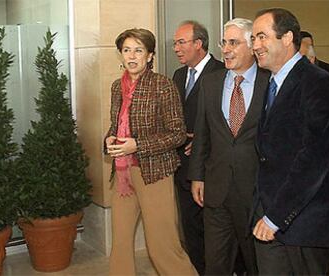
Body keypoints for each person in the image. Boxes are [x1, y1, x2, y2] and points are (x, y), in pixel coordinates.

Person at [251, 8, 329, 275]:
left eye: (262, 36)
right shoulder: (271, 84)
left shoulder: (318, 83)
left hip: (305, 223)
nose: (255, 45)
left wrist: (275, 217)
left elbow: (314, 159)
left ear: (287, 38)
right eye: (253, 38)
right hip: (269, 217)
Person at [105, 28, 197, 276]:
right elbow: (115, 126)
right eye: (126, 50)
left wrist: (138, 144)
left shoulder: (163, 85)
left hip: (154, 174)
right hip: (123, 174)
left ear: (149, 55)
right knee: (121, 245)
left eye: (138, 50)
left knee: (162, 247)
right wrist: (109, 140)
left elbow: (177, 133)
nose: (132, 56)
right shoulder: (117, 87)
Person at [188, 18, 269, 275]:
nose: (226, 49)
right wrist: (197, 176)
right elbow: (202, 133)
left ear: (251, 46)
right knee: (216, 264)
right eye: (224, 43)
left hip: (256, 193)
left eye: (233, 43)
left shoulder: (270, 83)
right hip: (217, 189)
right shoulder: (211, 83)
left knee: (257, 263)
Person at [172, 20, 224, 275]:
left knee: (214, 230)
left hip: (212, 168)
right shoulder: (179, 75)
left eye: (181, 42)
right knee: (190, 226)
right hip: (182, 166)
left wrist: (204, 142)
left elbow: (231, 122)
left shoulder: (223, 72)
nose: (176, 48)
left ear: (198, 44)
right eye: (175, 43)